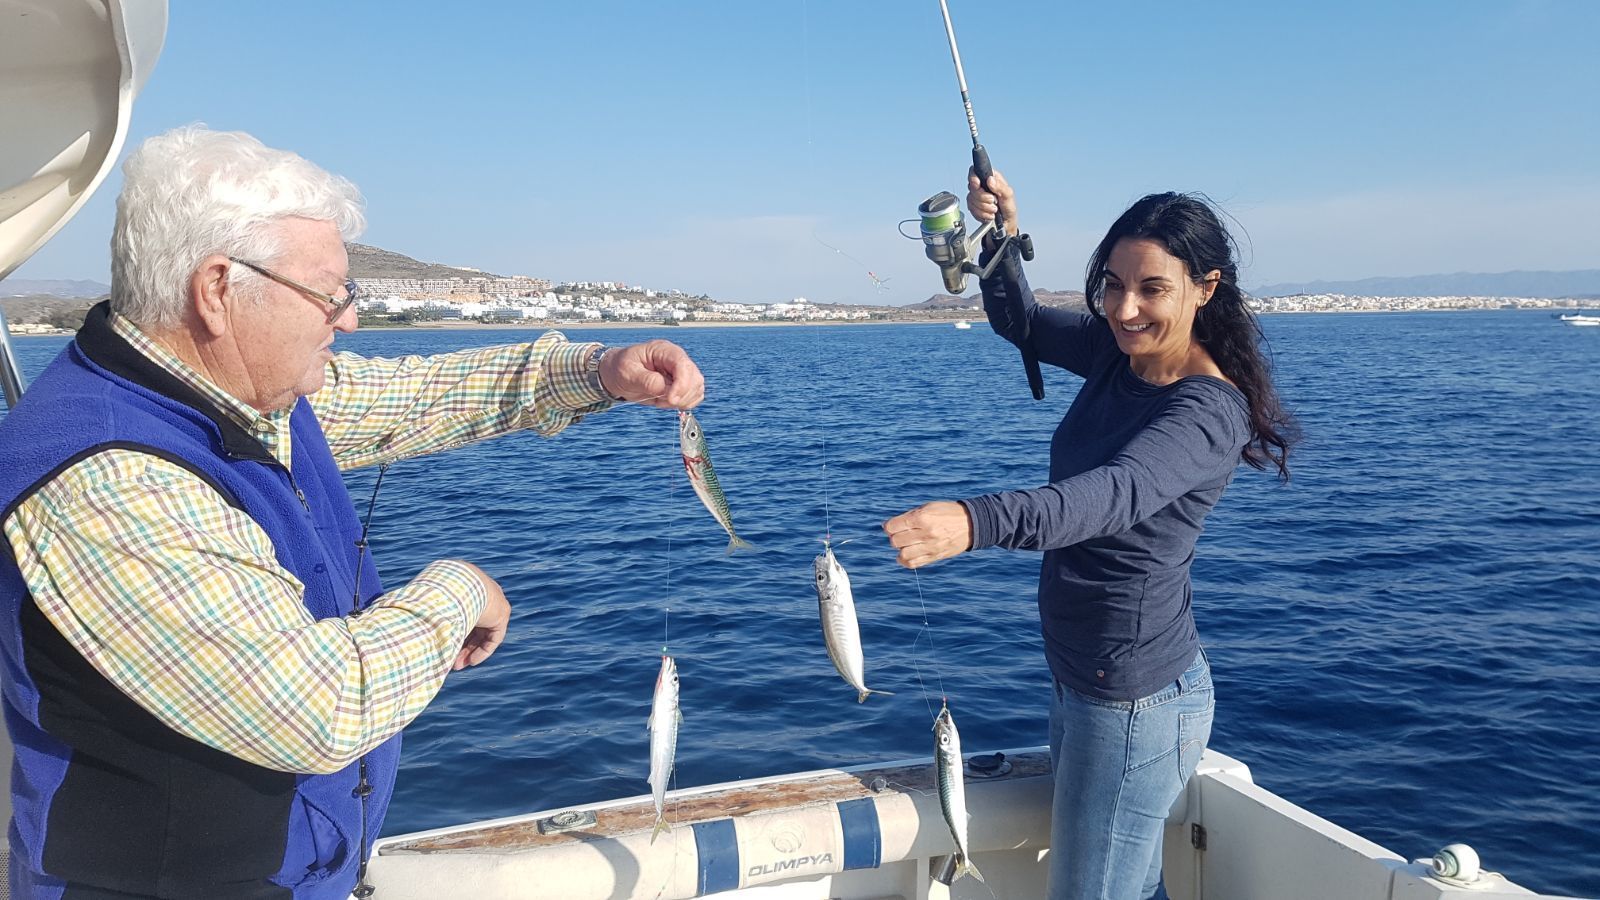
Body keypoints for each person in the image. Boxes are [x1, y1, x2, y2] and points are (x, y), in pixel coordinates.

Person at [0, 125, 705, 899]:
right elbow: (316, 708)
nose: (349, 320)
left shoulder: (244, 394)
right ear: (217, 290)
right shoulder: (108, 482)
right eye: (328, 294)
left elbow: (413, 398)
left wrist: (598, 372)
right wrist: (458, 588)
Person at [884, 170, 1295, 900]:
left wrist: (974, 520)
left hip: (1134, 701)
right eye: (1112, 285)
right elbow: (1024, 324)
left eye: (1152, 290)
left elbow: (1108, 497)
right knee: (1125, 887)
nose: (1124, 308)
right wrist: (1001, 239)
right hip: (1085, 680)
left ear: (1205, 288)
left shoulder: (1206, 412)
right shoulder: (1118, 351)